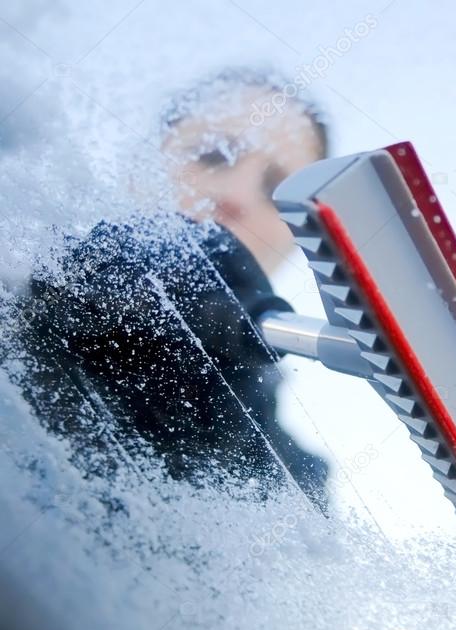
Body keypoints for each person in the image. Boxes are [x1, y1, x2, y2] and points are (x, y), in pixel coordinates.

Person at [9, 68, 333, 511]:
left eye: (277, 190)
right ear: (141, 170)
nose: (236, 195)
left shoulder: (294, 491)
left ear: (297, 239)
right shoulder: (15, 314)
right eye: (213, 155)